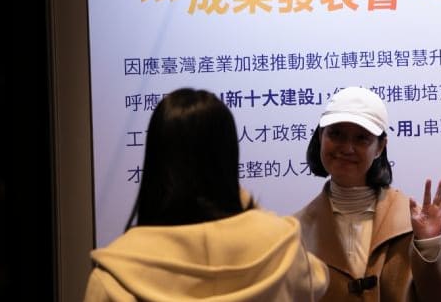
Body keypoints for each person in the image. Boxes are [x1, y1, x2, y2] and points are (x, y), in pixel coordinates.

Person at [84, 88, 329, 302]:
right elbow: (318, 279)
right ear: (228, 157)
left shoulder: (117, 272)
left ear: (156, 163)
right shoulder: (282, 248)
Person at [295, 86, 441, 301]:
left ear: (380, 147)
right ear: (321, 136)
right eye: (336, 134)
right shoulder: (295, 232)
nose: (347, 148)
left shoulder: (414, 224)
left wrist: (429, 247)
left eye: (361, 138)